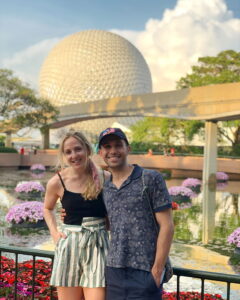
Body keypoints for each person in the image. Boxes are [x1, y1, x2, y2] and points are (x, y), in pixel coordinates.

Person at [97, 128, 174, 300]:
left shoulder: (150, 178)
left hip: (145, 270)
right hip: (114, 270)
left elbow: (167, 225)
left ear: (128, 148)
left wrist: (157, 270)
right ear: (100, 153)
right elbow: (107, 222)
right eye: (107, 147)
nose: (113, 151)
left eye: (118, 145)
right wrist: (68, 215)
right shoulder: (104, 186)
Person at [44, 130, 109, 300]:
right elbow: (47, 208)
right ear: (64, 156)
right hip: (69, 245)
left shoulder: (105, 178)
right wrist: (54, 232)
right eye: (68, 152)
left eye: (78, 149)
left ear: (88, 149)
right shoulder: (57, 181)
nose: (74, 155)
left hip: (98, 245)